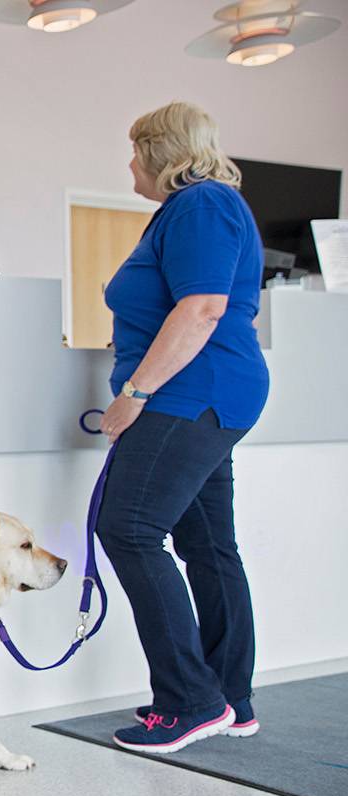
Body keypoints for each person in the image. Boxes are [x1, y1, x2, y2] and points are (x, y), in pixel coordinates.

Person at [95, 102, 269, 754]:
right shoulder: (194, 210)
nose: (130, 163)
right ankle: (228, 699)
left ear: (161, 152)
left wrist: (137, 392)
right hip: (205, 394)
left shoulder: (201, 205)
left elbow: (201, 309)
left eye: (136, 149)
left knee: (129, 529)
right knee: (208, 545)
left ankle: (189, 701)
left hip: (188, 394)